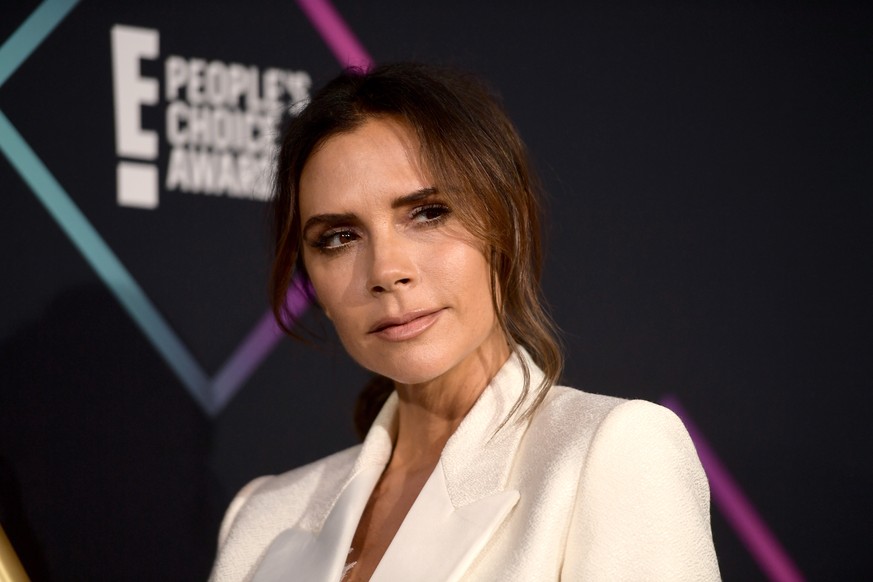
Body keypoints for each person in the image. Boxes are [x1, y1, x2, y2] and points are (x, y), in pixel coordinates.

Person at [209, 63, 720, 582]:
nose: (386, 271)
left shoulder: (612, 455)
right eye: (339, 237)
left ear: (507, 225)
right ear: (311, 280)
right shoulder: (263, 517)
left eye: (428, 213)